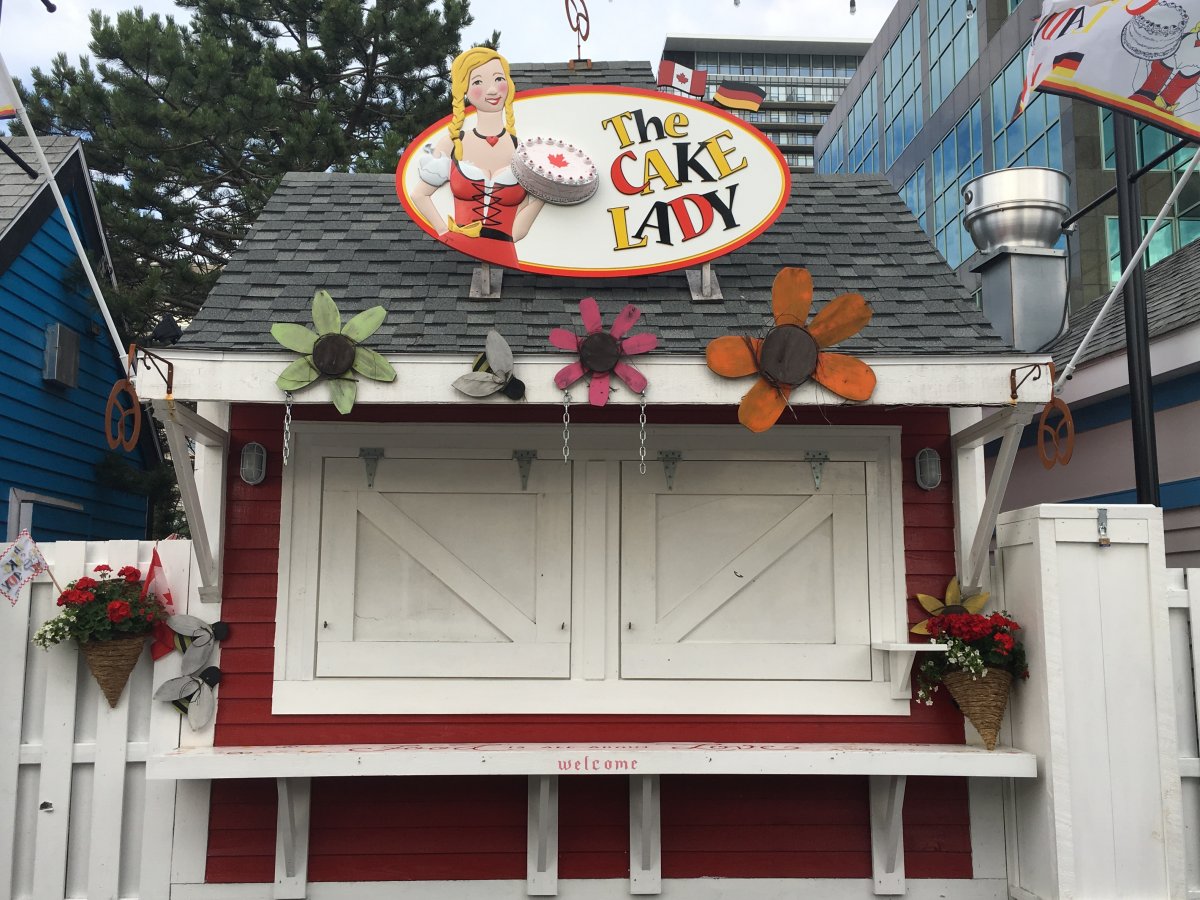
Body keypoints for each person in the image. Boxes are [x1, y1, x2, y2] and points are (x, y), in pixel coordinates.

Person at [411, 47, 545, 268]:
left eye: (498, 79)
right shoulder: (453, 142)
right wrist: (443, 231)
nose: (491, 90)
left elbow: (518, 231)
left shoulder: (521, 150)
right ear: (464, 89)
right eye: (478, 82)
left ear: (509, 86)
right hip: (459, 249)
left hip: (505, 252)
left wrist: (545, 194)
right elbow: (419, 195)